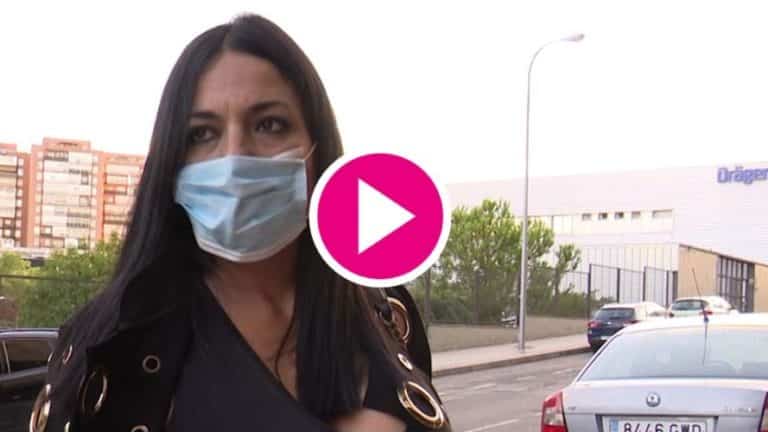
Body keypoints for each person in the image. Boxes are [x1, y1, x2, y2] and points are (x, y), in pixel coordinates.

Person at [30, 14, 451, 432]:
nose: (234, 158)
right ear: (171, 162)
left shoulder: (382, 309)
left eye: (269, 125)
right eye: (202, 134)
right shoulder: (108, 346)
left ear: (318, 148)